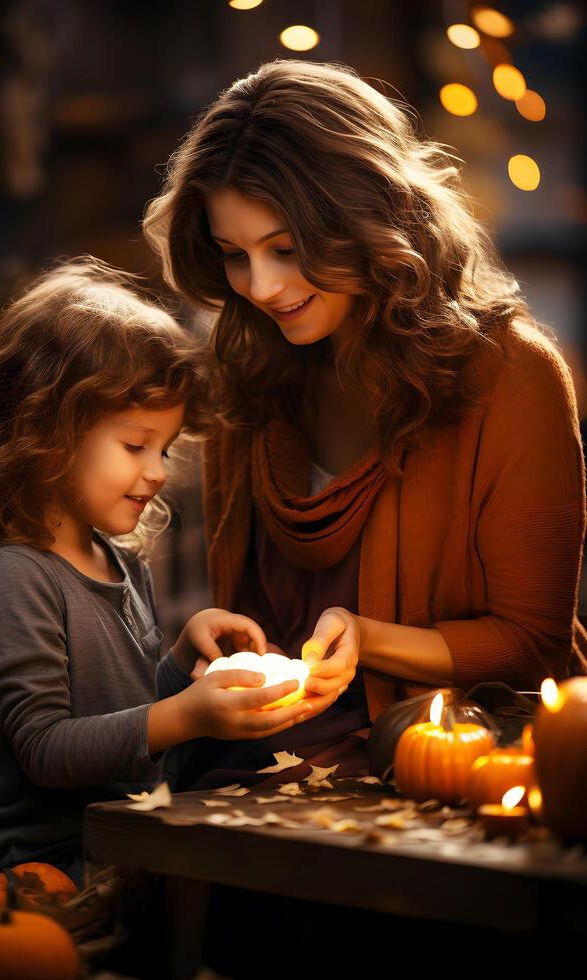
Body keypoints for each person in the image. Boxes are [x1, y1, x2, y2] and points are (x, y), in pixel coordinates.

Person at [141, 58, 587, 797]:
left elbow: (532, 646)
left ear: (368, 220)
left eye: (286, 249)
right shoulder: (253, 374)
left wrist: (369, 638)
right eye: (235, 255)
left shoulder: (513, 377)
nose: (261, 287)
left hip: (447, 765)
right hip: (249, 767)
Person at [0, 255, 320, 890]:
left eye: (163, 449)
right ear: (46, 431)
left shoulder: (120, 562)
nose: (160, 470)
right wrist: (189, 715)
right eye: (135, 446)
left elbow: (124, 719)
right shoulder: (16, 577)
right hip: (46, 872)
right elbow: (49, 751)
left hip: (127, 837)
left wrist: (181, 665)